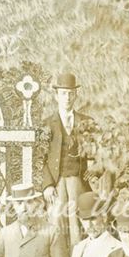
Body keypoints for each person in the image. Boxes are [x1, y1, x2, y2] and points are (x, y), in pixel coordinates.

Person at [38, 73, 95, 248]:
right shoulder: (46, 124)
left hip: (78, 181)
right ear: (56, 96)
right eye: (63, 93)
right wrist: (47, 185)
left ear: (76, 95)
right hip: (56, 182)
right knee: (56, 225)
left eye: (70, 93)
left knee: (78, 225)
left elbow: (99, 154)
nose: (67, 97)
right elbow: (39, 158)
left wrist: (94, 170)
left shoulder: (87, 122)